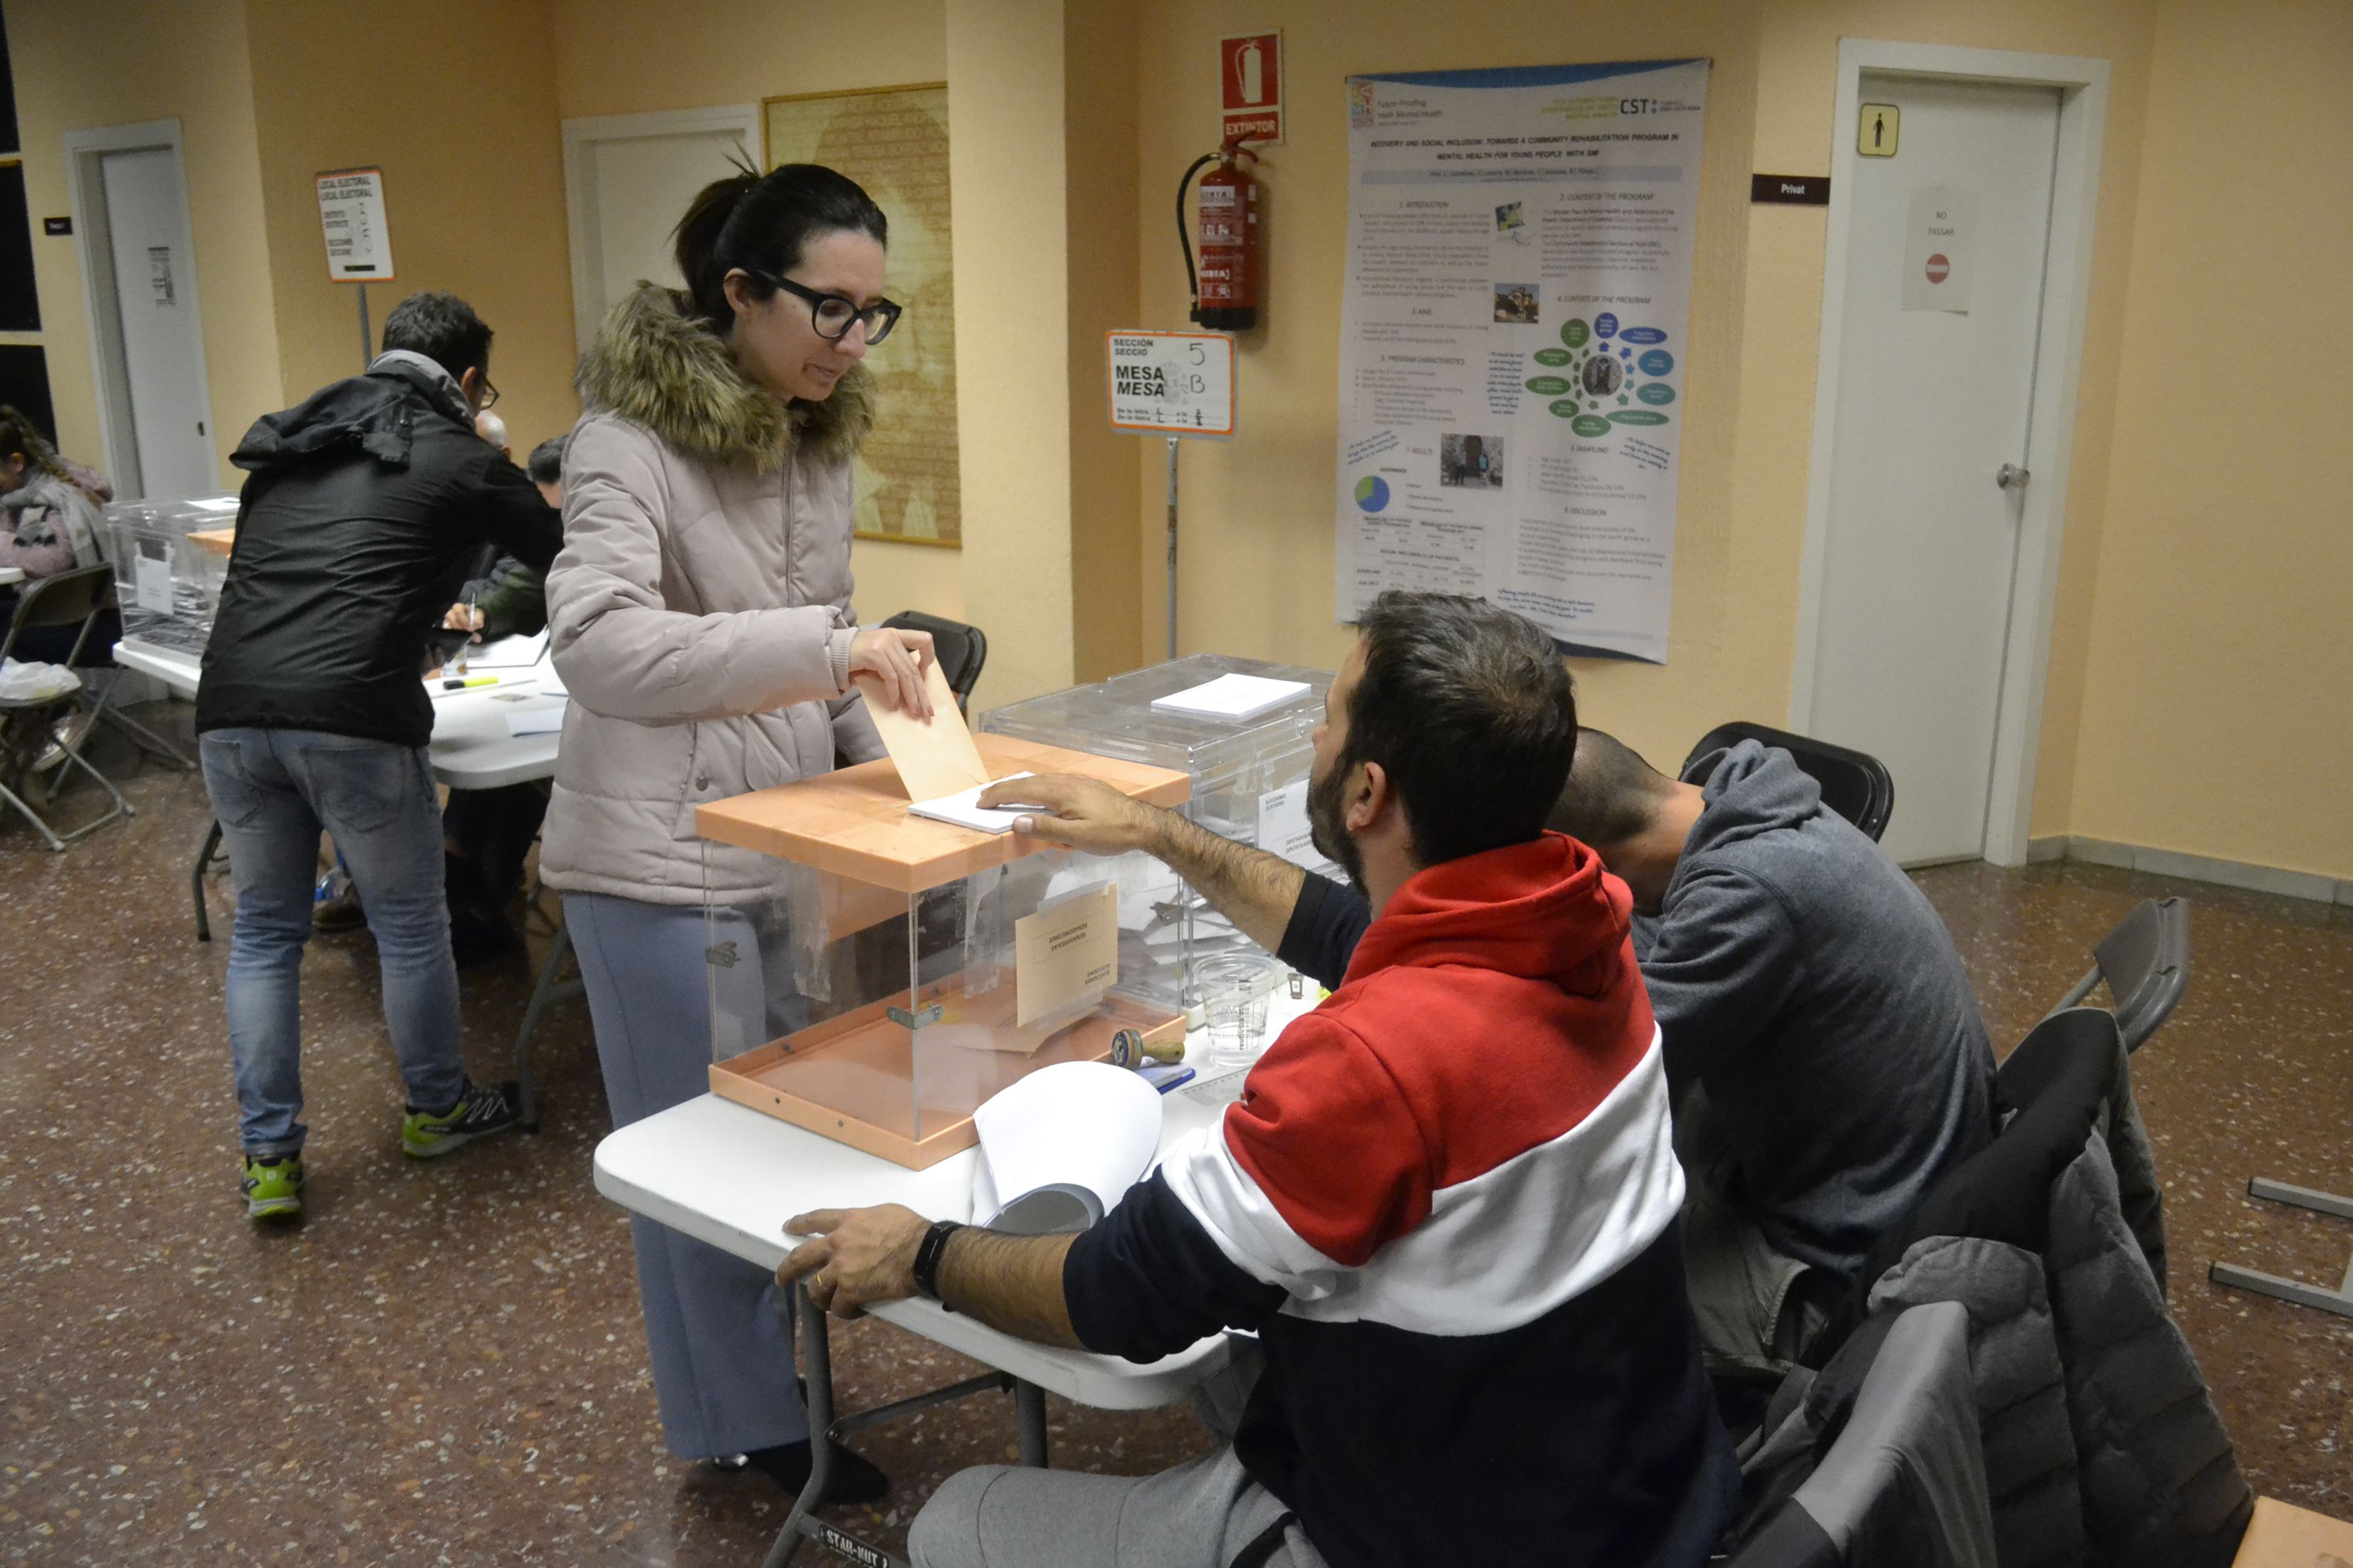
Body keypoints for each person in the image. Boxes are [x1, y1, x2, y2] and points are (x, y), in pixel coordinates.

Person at [787, 592, 1736, 1568]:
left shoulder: (1371, 1065)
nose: (1314, 735)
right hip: (1637, 1490)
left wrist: (924, 1250)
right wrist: (1159, 832)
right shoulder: (1583, 928)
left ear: (1366, 793)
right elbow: (1354, 933)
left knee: (959, 1515)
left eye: (1326, 718)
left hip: (1435, 1532)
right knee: (1240, 1362)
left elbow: (1120, 1296)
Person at [980, 723, 1999, 1367]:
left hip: (1828, 1264)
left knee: (1414, 1280)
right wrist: (1164, 835)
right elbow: (1398, 948)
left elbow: (1525, 1063)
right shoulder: (1735, 800)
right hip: (1863, 1176)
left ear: (1574, 863)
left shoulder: (1747, 910)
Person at [538, 163, 934, 1505]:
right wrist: (831, 651)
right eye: (831, 310)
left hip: (777, 855)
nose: (852, 343)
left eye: (875, 316)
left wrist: (923, 779)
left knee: (782, 1144)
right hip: (653, 864)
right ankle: (744, 1425)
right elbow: (597, 646)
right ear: (742, 294)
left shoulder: (811, 437)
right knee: (694, 1169)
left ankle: (785, 1389)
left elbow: (835, 652)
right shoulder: (627, 441)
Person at [195, 291, 562, 1222]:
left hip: (232, 709)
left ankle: (269, 1159)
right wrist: (498, 461)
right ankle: (437, 1107)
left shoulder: (297, 437)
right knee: (408, 925)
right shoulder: (462, 455)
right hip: (355, 714)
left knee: (264, 935)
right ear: (471, 381)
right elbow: (560, 548)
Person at [436, 434, 565, 964]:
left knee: (523, 772)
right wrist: (475, 610)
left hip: (571, 691)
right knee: (498, 760)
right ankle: (468, 895)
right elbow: (508, 580)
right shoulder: (515, 518)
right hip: (523, 676)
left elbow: (521, 584)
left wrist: (479, 610)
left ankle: (474, 898)